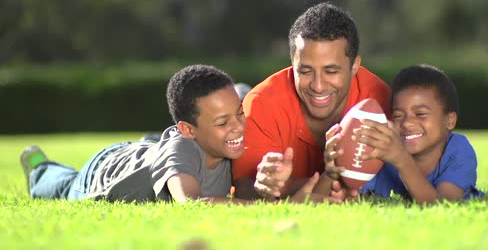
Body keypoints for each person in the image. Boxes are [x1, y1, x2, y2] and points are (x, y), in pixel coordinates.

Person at [20, 64, 326, 204]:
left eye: (240, 113)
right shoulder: (184, 147)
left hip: (155, 150)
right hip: (103, 170)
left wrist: (305, 188)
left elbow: (249, 188)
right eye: (223, 122)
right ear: (188, 129)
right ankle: (39, 166)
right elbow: (190, 202)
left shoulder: (231, 143)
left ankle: (154, 142)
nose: (238, 127)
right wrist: (270, 209)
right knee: (59, 187)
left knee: (172, 145)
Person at [232, 2, 392, 199]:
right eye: (305, 71)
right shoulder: (261, 102)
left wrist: (290, 187)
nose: (318, 86)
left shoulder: (380, 99)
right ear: (292, 63)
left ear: (354, 66)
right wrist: (264, 186)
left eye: (331, 71)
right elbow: (243, 189)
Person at [326, 64, 483, 204]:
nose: (407, 123)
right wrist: (339, 175)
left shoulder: (458, 149)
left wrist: (402, 161)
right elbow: (351, 197)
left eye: (420, 114)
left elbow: (442, 205)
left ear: (449, 121)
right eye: (398, 116)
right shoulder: (383, 153)